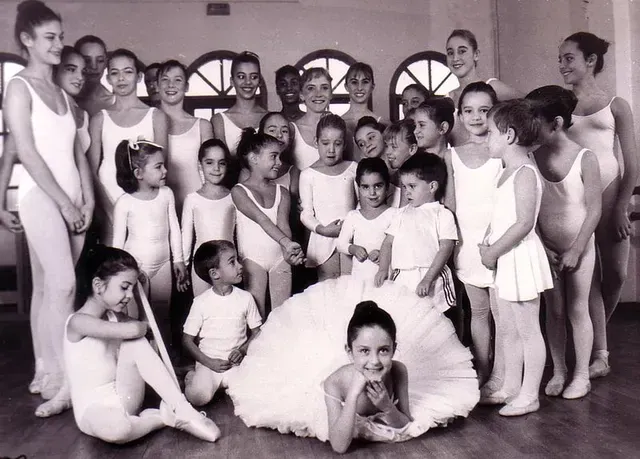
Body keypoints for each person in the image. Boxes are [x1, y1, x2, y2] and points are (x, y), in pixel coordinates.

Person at [225, 277, 479, 451]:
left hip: (383, 405)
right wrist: (355, 393)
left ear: (394, 349)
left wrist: (387, 406)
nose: (374, 361)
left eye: (384, 351)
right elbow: (339, 445)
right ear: (350, 352)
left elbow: (405, 425)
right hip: (340, 403)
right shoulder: (336, 382)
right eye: (364, 351)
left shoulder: (399, 370)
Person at [5, 0, 94, 417]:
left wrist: (87, 200)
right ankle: (64, 379)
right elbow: (26, 151)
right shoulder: (18, 87)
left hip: (74, 200)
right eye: (50, 38)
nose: (60, 45)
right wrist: (63, 203)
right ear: (26, 40)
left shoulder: (60, 92)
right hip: (42, 198)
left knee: (46, 288)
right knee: (63, 286)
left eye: (60, 36)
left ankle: (44, 369)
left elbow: (77, 154)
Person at [65, 245, 220, 443]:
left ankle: (182, 409)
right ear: (98, 285)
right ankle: (162, 418)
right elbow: (136, 329)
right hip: (94, 411)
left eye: (131, 288)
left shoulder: (114, 317)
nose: (129, 294)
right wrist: (138, 315)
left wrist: (140, 296)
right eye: (124, 287)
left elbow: (145, 329)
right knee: (118, 430)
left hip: (125, 396)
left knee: (135, 343)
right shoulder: (78, 322)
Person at [560, 32, 639, 378]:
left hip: (611, 197)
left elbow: (632, 164)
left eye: (569, 58)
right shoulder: (560, 104)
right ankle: (600, 354)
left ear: (590, 61)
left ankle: (588, 339)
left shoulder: (616, 105)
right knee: (588, 279)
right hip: (578, 199)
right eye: (560, 59)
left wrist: (622, 205)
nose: (562, 65)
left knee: (618, 274)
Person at [478, 100, 553, 416]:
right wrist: (487, 240)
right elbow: (501, 215)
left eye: (490, 133)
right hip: (504, 258)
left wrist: (493, 251)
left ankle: (529, 394)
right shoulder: (504, 172)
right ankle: (510, 385)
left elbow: (524, 223)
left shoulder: (525, 173)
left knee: (527, 328)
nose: (486, 139)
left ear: (508, 135)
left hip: (519, 257)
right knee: (506, 326)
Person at [527, 85, 601, 399]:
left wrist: (576, 248)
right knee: (553, 311)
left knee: (576, 308)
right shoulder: (531, 156)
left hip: (580, 246)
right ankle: (559, 370)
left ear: (556, 123)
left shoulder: (585, 157)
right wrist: (543, 246)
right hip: (548, 248)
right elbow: (529, 209)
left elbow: (594, 209)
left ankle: (582, 374)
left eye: (535, 122)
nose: (529, 129)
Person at [447, 82, 501, 383]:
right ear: (459, 115)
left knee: (502, 314)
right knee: (479, 313)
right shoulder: (452, 154)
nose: (476, 117)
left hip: (498, 244)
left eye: (484, 110)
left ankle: (504, 375)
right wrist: (455, 245)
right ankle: (483, 369)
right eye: (468, 110)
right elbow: (452, 205)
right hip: (468, 245)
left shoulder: (502, 150)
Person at [88, 48, 168, 245]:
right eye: (115, 73)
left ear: (139, 76)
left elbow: (162, 170)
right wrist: (107, 209)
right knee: (114, 266)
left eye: (128, 71)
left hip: (147, 205)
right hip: (109, 203)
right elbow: (90, 171)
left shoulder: (156, 116)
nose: (121, 78)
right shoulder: (99, 119)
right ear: (108, 78)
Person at [112, 139, 186, 337]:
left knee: (162, 315)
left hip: (163, 265)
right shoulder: (124, 203)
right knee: (137, 316)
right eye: (158, 166)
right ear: (138, 173)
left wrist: (178, 260)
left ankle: (164, 362)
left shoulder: (166, 194)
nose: (165, 171)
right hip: (136, 267)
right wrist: (122, 274)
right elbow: (117, 245)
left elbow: (174, 229)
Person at [232, 129, 304, 319]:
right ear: (254, 158)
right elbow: (262, 220)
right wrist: (287, 244)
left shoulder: (283, 192)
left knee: (282, 317)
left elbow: (283, 226)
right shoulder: (239, 192)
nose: (279, 162)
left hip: (279, 258)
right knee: (257, 318)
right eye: (273, 156)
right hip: (252, 260)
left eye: (279, 157)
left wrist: (291, 253)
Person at [182, 240, 262, 407]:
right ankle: (191, 376)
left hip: (236, 364)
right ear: (215, 273)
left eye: (238, 260)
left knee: (254, 394)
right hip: (208, 364)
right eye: (232, 262)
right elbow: (187, 341)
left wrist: (242, 350)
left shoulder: (246, 298)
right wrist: (208, 362)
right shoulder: (201, 302)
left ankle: (226, 385)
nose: (240, 266)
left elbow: (257, 332)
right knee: (199, 397)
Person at [374, 153, 457, 309]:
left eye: (412, 186)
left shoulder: (442, 214)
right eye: (404, 187)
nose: (407, 192)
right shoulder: (400, 214)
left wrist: (428, 279)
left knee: (435, 320)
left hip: (432, 277)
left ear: (432, 186)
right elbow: (387, 244)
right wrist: (383, 269)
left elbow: (446, 248)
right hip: (402, 276)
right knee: (405, 319)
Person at [300, 114, 357, 280]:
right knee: (328, 287)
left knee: (351, 283)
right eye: (325, 143)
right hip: (323, 237)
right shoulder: (308, 174)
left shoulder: (353, 168)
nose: (331, 149)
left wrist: (352, 226)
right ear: (316, 141)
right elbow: (306, 213)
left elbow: (362, 203)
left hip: (351, 236)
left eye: (337, 144)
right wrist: (323, 229)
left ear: (344, 144)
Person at [445, 29, 521, 145]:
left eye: (462, 51)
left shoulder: (492, 86)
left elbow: (531, 107)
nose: (455, 58)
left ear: (476, 55)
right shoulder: (448, 99)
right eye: (450, 53)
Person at [158, 59, 214, 216]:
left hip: (197, 207)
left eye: (177, 80)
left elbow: (210, 173)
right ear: (157, 86)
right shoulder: (147, 122)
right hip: (159, 207)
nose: (171, 85)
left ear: (186, 86)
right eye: (165, 80)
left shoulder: (202, 125)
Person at [182, 139, 236, 297]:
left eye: (222, 163)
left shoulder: (234, 196)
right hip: (201, 265)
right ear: (200, 165)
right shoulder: (192, 199)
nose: (216, 169)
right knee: (203, 306)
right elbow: (186, 235)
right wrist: (183, 265)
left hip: (229, 264)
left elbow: (242, 234)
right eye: (210, 162)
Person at [337, 158, 396, 281]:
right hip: (359, 279)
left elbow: (401, 246)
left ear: (387, 186)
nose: (372, 192)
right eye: (365, 187)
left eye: (378, 186)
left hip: (385, 279)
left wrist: (383, 254)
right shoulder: (353, 216)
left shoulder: (394, 214)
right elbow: (340, 244)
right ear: (358, 187)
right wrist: (353, 249)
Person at [211, 51, 267, 156]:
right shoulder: (219, 120)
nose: (248, 82)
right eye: (241, 76)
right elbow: (222, 163)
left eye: (254, 77)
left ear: (259, 81)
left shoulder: (268, 118)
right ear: (232, 81)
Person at [341, 62, 384, 161]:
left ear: (372, 87)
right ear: (346, 86)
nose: (359, 88)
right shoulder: (339, 123)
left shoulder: (381, 123)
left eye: (365, 82)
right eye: (354, 82)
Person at [291, 67, 332, 170]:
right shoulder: (292, 129)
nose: (318, 94)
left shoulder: (340, 127)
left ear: (331, 94)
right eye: (311, 88)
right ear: (301, 95)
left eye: (324, 88)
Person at [74, 35, 114, 116]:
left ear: (106, 63)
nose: (94, 67)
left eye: (100, 60)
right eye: (87, 60)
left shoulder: (114, 102)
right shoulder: (65, 98)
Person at [383, 119, 419, 207]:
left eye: (394, 147)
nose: (388, 151)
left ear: (412, 149)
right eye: (387, 146)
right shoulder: (391, 180)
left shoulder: (419, 184)